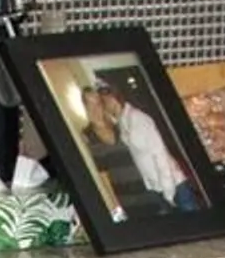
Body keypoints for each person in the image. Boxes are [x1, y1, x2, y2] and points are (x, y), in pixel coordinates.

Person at [80, 73, 200, 218]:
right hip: (134, 193)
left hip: (161, 187)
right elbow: (102, 174)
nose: (96, 108)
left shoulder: (126, 122)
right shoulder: (93, 133)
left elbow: (159, 153)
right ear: (85, 107)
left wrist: (168, 190)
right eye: (89, 104)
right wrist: (115, 205)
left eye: (98, 103)